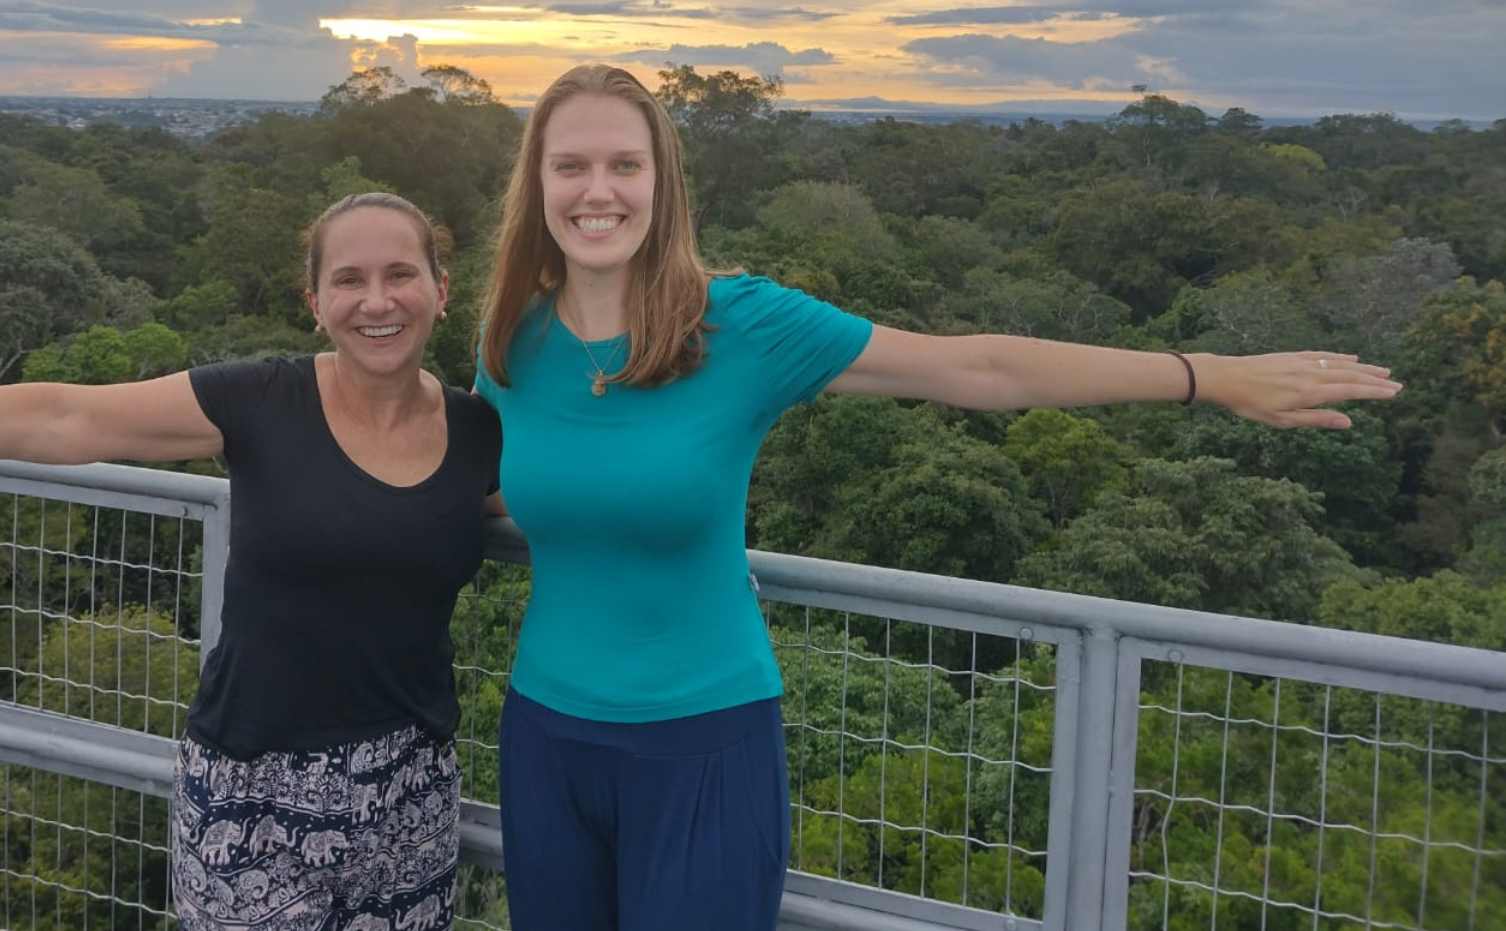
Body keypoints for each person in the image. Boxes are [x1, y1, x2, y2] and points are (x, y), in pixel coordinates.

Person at [472, 64, 1404, 931]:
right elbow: (499, 498)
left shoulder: (741, 324)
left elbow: (978, 367)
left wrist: (1207, 374)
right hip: (546, 735)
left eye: (624, 164)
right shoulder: (510, 346)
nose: (599, 191)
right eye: (573, 166)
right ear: (539, 185)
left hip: (702, 742)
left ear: (661, 184)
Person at [0, 192, 502, 931]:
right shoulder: (263, 400)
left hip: (411, 789)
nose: (377, 300)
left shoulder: (479, 435)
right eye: (349, 279)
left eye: (401, 275)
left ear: (440, 288)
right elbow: (64, 416)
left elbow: (582, 506)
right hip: (254, 788)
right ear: (315, 303)